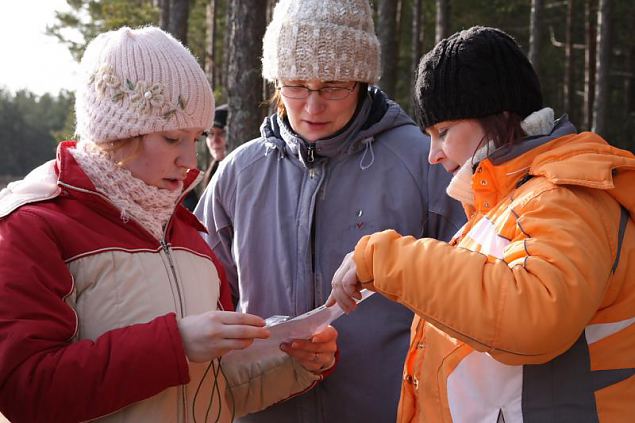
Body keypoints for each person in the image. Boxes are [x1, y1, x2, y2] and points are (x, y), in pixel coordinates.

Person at [0, 26, 338, 423]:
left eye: (196, 138)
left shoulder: (186, 234)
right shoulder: (32, 226)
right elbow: (23, 389)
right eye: (174, 138)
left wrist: (295, 361)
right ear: (118, 134)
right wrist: (174, 345)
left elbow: (209, 388)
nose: (190, 160)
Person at [328, 26, 635, 422]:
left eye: (443, 133)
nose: (433, 155)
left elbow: (534, 314)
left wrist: (388, 259)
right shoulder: (513, 201)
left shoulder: (564, 197)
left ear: (499, 116)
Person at [194, 1, 465, 422]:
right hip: (263, 409)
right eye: (296, 85)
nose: (312, 106)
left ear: (361, 80)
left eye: (333, 86)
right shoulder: (238, 173)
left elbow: (470, 287)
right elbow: (200, 299)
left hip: (389, 407)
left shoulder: (422, 162)